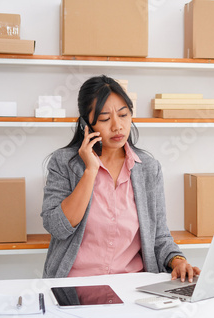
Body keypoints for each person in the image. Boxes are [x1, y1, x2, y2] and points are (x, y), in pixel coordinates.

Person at [41, 75, 200, 283]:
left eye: (123, 115)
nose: (117, 126)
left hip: (131, 286)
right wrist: (90, 171)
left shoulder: (149, 169)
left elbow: (159, 237)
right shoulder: (64, 163)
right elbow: (57, 227)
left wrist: (178, 261)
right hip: (74, 285)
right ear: (86, 125)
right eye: (105, 119)